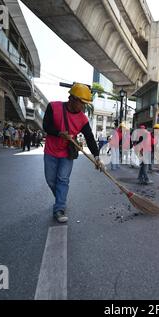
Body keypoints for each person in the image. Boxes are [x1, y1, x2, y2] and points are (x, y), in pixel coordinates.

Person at [43, 83, 103, 223]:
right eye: (82, 103)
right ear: (73, 99)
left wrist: (97, 156)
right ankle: (60, 199)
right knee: (51, 180)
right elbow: (46, 126)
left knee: (63, 180)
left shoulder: (83, 119)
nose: (83, 107)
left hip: (67, 153)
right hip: (51, 151)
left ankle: (59, 208)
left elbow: (89, 138)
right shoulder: (53, 107)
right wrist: (59, 133)